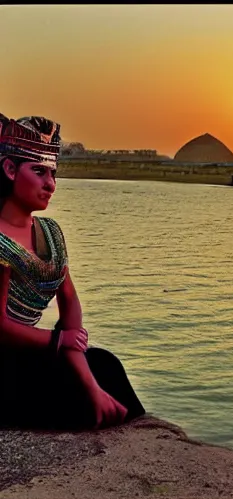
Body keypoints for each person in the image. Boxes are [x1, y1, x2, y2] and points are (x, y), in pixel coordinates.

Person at [0, 113, 145, 430]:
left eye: (53, 173)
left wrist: (85, 374)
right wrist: (58, 341)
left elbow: (70, 304)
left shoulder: (51, 232)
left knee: (105, 364)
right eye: (38, 171)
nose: (50, 184)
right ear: (10, 170)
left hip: (39, 351)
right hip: (5, 364)